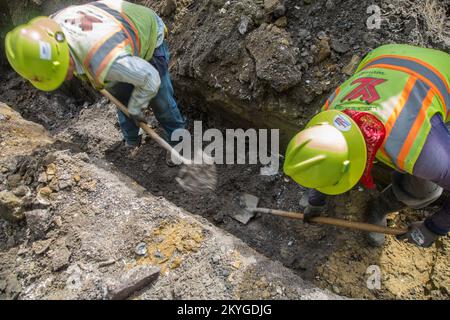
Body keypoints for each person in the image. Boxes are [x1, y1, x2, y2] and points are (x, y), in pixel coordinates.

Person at [283, 44, 450, 248]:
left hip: (442, 74)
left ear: (353, 164)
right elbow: (323, 154)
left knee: (425, 188)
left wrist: (434, 227)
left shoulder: (420, 149)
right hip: (385, 55)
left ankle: (379, 208)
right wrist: (315, 201)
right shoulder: (329, 114)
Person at [5, 0, 185, 165]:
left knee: (161, 102)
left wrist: (137, 107)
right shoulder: (49, 31)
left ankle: (180, 144)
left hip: (145, 32)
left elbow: (150, 78)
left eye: (58, 73)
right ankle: (132, 140)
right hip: (115, 33)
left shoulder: (104, 59)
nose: (63, 78)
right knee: (120, 95)